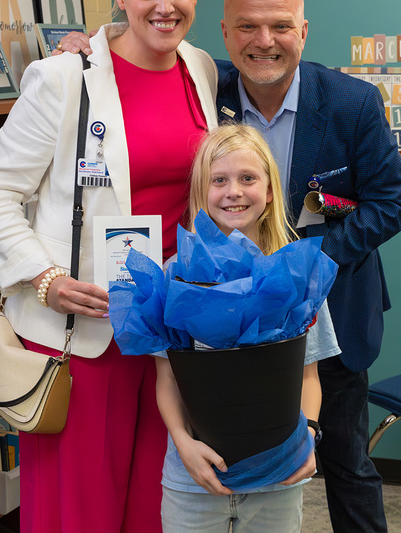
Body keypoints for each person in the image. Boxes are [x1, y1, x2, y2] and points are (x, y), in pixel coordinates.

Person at [58, 0, 401, 532]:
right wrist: (87, 45)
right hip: (214, 319)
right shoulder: (206, 84)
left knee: (344, 462)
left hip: (324, 309)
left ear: (303, 30)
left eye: (279, 26)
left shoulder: (353, 102)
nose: (264, 42)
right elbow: (147, 43)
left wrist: (304, 262)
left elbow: (394, 202)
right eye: (248, 27)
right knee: (215, 460)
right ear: (225, 33)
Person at [0, 0, 219, 532]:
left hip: (166, 322)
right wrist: (44, 277)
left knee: (157, 500)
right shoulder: (62, 78)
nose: (166, 5)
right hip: (85, 326)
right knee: (79, 507)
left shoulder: (200, 70)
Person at [156, 123, 340, 532]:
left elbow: (309, 376)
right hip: (193, 480)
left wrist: (309, 434)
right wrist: (183, 445)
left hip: (278, 477)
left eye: (247, 178)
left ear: (270, 190)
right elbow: (167, 378)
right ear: (202, 192)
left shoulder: (299, 274)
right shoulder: (176, 275)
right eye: (218, 180)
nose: (233, 191)